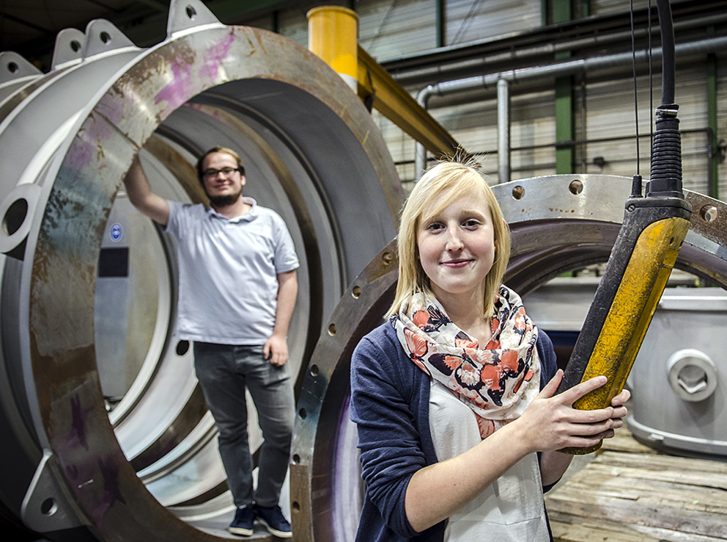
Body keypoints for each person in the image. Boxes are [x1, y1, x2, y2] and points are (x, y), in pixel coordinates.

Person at [349, 160, 631, 541]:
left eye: (470, 223)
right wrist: (524, 434)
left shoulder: (531, 344)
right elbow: (403, 507)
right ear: (414, 246)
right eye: (435, 226)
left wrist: (572, 432)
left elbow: (537, 478)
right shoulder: (382, 355)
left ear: (495, 239)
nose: (454, 242)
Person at [123, 147, 297, 538]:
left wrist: (279, 334)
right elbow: (141, 199)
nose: (221, 176)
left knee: (281, 431)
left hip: (263, 349)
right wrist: (129, 151)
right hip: (211, 351)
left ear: (242, 176)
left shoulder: (268, 222)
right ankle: (243, 506)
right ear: (203, 181)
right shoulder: (189, 221)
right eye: (212, 172)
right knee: (231, 432)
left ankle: (268, 504)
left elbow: (288, 278)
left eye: (228, 170)